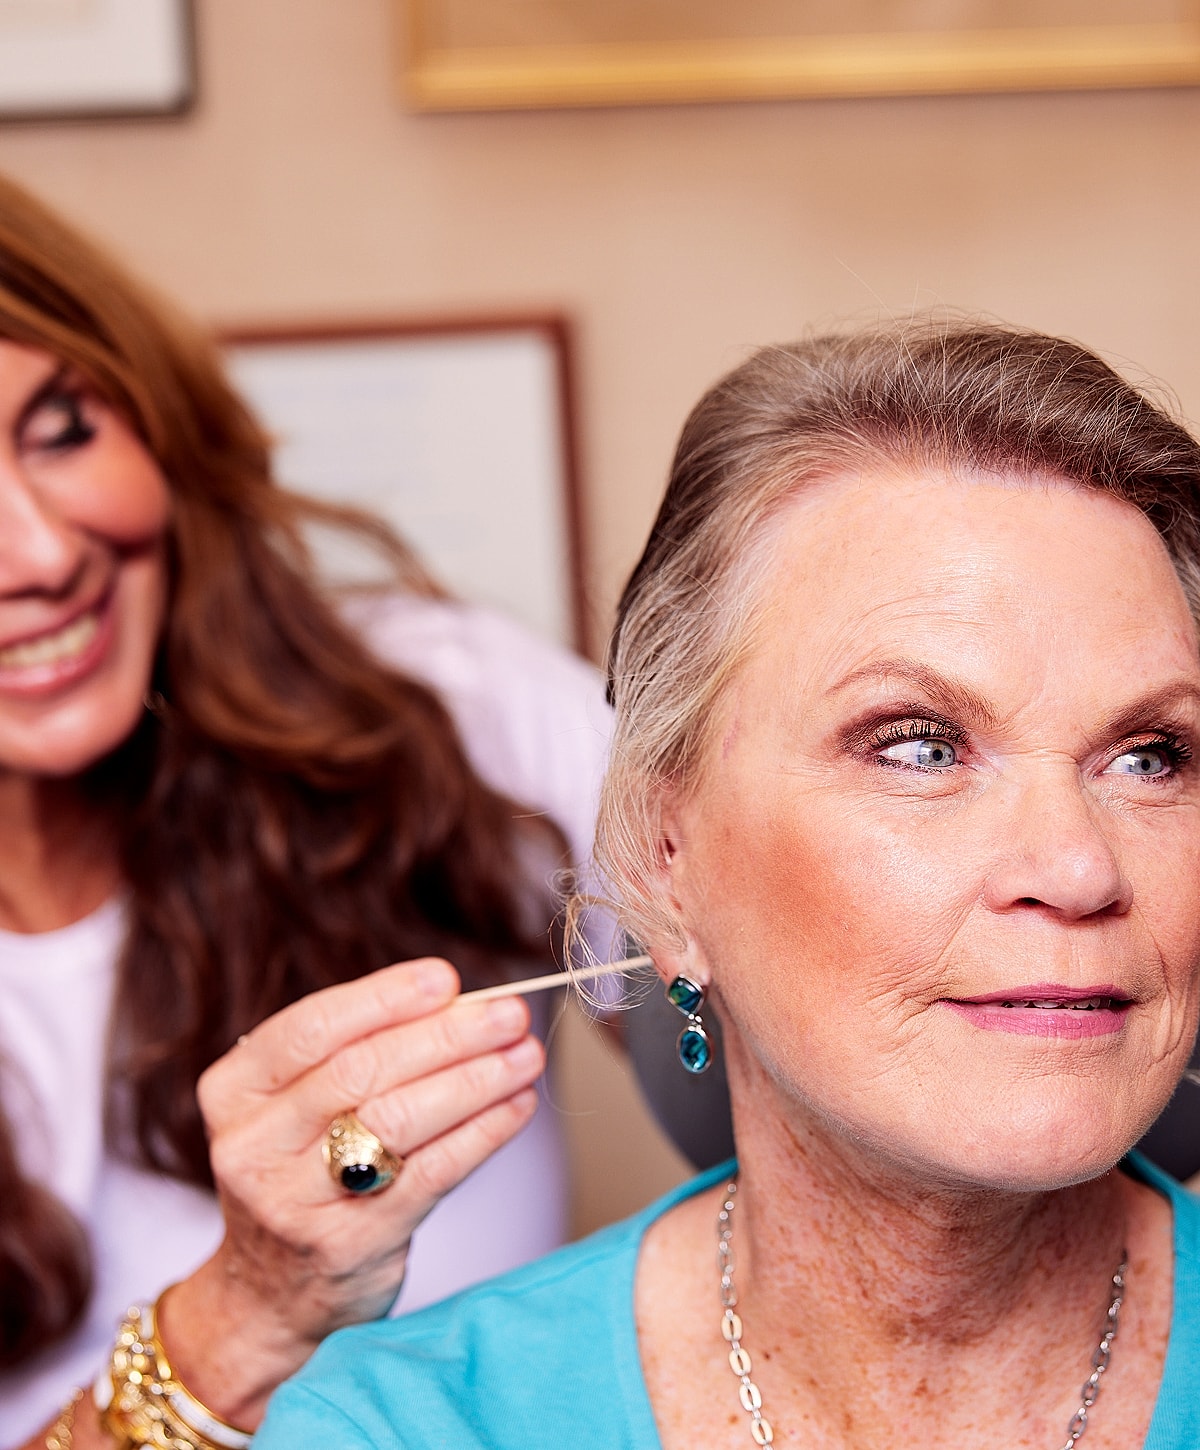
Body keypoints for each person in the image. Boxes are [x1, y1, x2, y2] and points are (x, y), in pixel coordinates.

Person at [258, 320, 1200, 1448]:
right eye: (917, 745)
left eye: (1151, 756)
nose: (1079, 866)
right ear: (665, 855)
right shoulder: (406, 1423)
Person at [0, 173, 616, 1450]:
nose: (40, 554)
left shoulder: (446, 715)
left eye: (60, 431)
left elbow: (773, 930)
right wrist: (245, 1317)